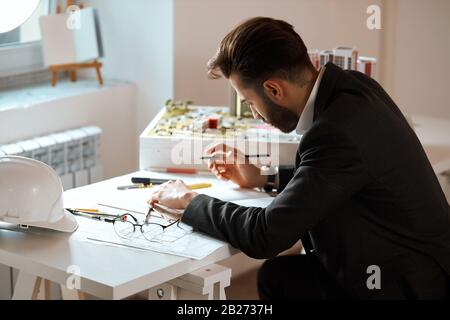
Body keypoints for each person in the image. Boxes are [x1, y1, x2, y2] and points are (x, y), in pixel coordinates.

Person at [149, 17, 450, 299]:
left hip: (405, 285)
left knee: (279, 278)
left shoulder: (336, 131)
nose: (254, 113)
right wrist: (262, 176)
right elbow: (332, 176)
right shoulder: (353, 87)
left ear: (274, 89)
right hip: (420, 263)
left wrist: (190, 202)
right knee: (281, 276)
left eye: (250, 102)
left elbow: (265, 235)